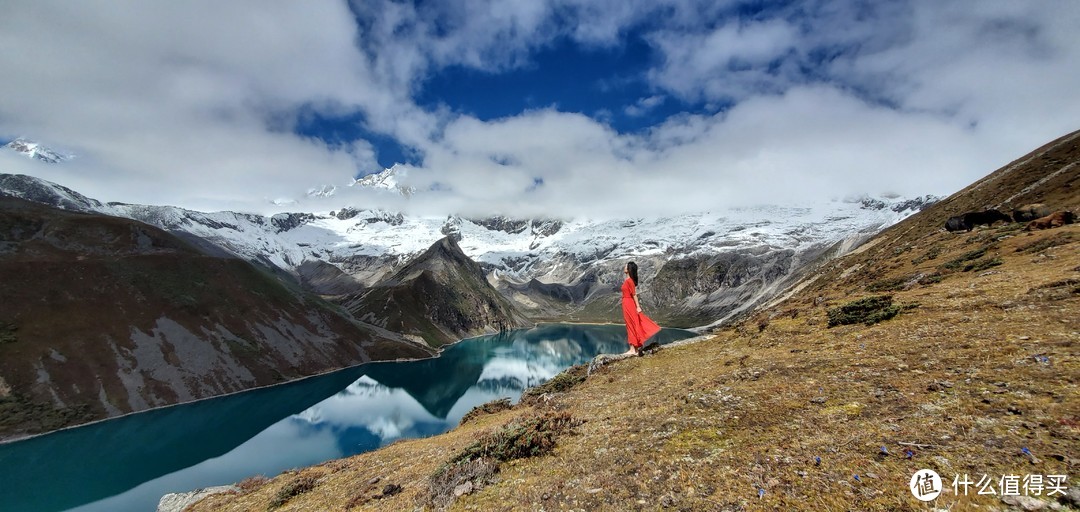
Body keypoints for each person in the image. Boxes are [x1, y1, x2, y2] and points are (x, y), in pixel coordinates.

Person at [621, 261, 661, 356]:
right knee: (630, 324)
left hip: (629, 303)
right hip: (626, 303)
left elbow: (634, 295)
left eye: (626, 266)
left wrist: (638, 306)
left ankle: (632, 349)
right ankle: (635, 348)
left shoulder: (629, 281)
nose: (624, 267)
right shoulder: (628, 280)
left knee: (631, 325)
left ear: (629, 269)